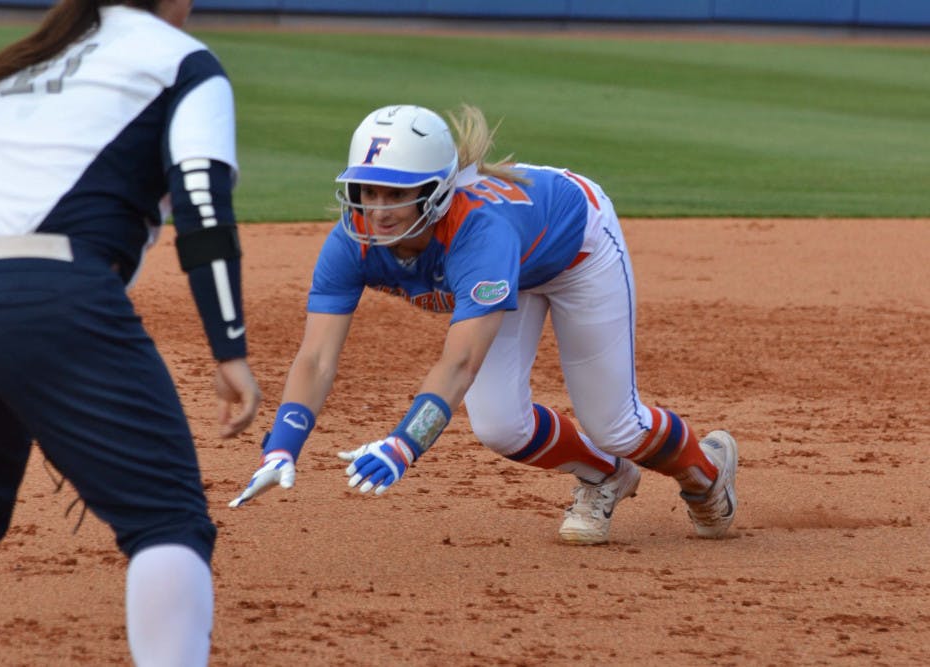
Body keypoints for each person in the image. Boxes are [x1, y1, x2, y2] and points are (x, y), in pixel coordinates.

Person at [229, 103, 736, 546]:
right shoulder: (351, 240)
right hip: (504, 268)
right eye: (368, 190)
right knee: (499, 426)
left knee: (614, 423)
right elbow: (316, 358)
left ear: (436, 192)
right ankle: (607, 475)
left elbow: (461, 361)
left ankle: (706, 471)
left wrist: (404, 443)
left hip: (575, 250)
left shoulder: (479, 233)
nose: (377, 210)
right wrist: (280, 447)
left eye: (397, 194)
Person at [0, 0, 261, 664]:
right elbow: (202, 200)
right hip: (38, 291)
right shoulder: (185, 63)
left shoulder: (22, 59)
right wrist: (229, 347)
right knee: (167, 518)